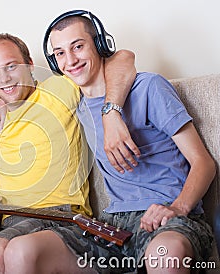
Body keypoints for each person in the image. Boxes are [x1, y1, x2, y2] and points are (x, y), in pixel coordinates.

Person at [44, 10, 216, 272]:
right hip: (113, 225)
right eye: (60, 53)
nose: (70, 60)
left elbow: (204, 163)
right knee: (25, 250)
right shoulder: (75, 105)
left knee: (165, 253)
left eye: (78, 46)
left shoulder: (148, 87)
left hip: (167, 218)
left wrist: (178, 207)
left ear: (100, 45)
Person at [0, 33, 137, 274]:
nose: (4, 78)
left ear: (30, 64)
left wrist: (112, 112)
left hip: (61, 216)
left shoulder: (60, 88)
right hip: (14, 219)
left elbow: (124, 58)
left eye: (11, 67)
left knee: (18, 250)